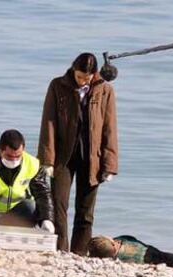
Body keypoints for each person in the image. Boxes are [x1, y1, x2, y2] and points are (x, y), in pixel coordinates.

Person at [38, 53, 118, 255]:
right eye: (80, 76)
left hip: (92, 157)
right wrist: (47, 159)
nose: (83, 80)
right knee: (58, 205)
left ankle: (79, 253)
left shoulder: (105, 90)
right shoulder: (57, 86)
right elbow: (48, 122)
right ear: (73, 69)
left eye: (87, 77)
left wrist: (109, 164)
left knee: (85, 212)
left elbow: (110, 127)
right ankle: (60, 250)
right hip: (63, 157)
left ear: (94, 74)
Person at [0, 129, 54, 241]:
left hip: (15, 215)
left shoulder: (33, 164)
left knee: (30, 206)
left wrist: (47, 218)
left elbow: (43, 193)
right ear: (0, 150)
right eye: (10, 156)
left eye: (18, 156)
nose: (14, 160)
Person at [88, 235, 173, 269]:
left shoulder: (117, 259)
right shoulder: (124, 241)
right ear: (113, 244)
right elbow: (131, 238)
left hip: (147, 258)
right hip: (149, 254)